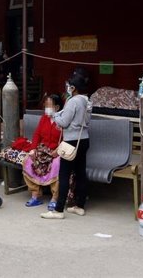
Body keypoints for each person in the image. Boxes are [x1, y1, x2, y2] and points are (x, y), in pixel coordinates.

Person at [41, 73, 91, 220]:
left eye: (69, 86)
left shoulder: (73, 101)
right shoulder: (87, 101)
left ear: (74, 88)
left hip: (71, 141)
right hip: (84, 139)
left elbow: (64, 122)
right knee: (81, 172)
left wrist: (54, 115)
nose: (67, 88)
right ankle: (80, 206)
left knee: (64, 175)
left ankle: (58, 210)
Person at [23, 94, 64, 209]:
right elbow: (37, 135)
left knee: (57, 165)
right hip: (43, 150)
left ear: (57, 107)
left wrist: (58, 150)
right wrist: (33, 149)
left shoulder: (63, 121)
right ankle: (35, 195)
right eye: (45, 105)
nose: (47, 108)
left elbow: (66, 139)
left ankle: (55, 198)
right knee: (28, 161)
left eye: (49, 105)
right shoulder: (44, 118)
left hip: (57, 151)